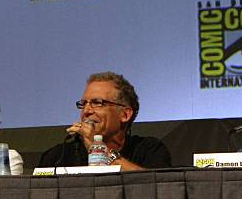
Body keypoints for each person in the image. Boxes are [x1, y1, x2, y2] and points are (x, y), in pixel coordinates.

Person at [38, 71, 171, 170]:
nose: (87, 111)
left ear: (125, 114)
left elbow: (154, 187)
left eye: (97, 103)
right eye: (84, 104)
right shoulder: (57, 156)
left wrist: (98, 149)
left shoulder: (149, 150)